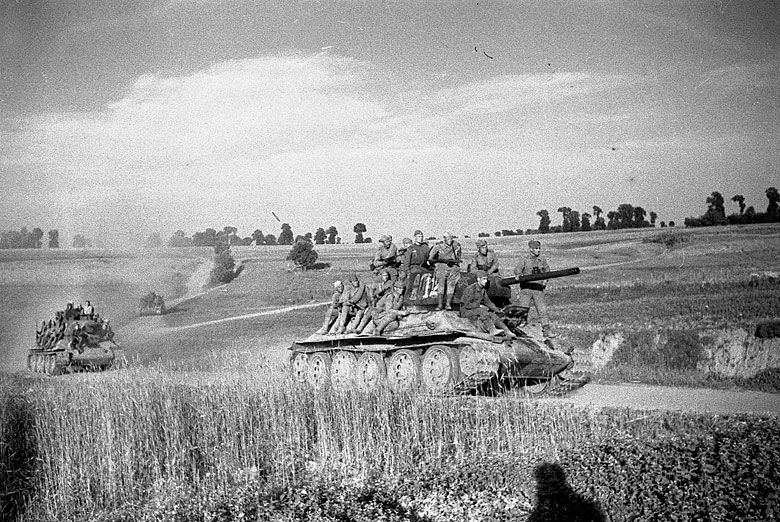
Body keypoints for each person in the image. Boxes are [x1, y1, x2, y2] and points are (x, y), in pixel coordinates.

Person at [513, 239, 557, 338]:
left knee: (542, 310)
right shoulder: (524, 259)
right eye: (536, 249)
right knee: (523, 309)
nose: (538, 250)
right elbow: (517, 270)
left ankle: (546, 330)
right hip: (526, 288)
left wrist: (545, 281)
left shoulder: (542, 259)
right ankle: (521, 327)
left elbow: (547, 270)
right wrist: (518, 274)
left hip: (537, 288)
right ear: (531, 249)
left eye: (539, 248)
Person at [460, 271, 515, 339]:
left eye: (486, 279)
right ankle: (492, 330)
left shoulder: (483, 290)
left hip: (475, 310)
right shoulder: (470, 289)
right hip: (466, 311)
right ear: (478, 279)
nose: (486, 281)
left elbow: (488, 302)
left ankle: (507, 330)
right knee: (482, 311)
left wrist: (498, 311)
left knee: (492, 314)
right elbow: (465, 304)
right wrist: (479, 306)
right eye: (484, 279)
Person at [427, 231, 462, 310]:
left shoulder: (456, 245)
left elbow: (459, 257)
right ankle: (440, 305)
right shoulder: (438, 246)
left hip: (453, 269)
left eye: (451, 238)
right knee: (441, 286)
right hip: (441, 268)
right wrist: (439, 263)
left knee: (451, 286)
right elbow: (430, 259)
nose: (450, 240)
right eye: (448, 239)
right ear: (444, 239)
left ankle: (448, 304)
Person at [401, 230, 433, 300]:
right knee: (410, 284)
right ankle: (406, 299)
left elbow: (429, 258)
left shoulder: (425, 247)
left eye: (421, 236)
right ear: (414, 237)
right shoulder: (411, 248)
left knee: (430, 276)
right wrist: (407, 271)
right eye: (418, 236)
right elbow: (406, 262)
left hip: (423, 267)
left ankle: (424, 297)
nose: (420, 238)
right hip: (413, 267)